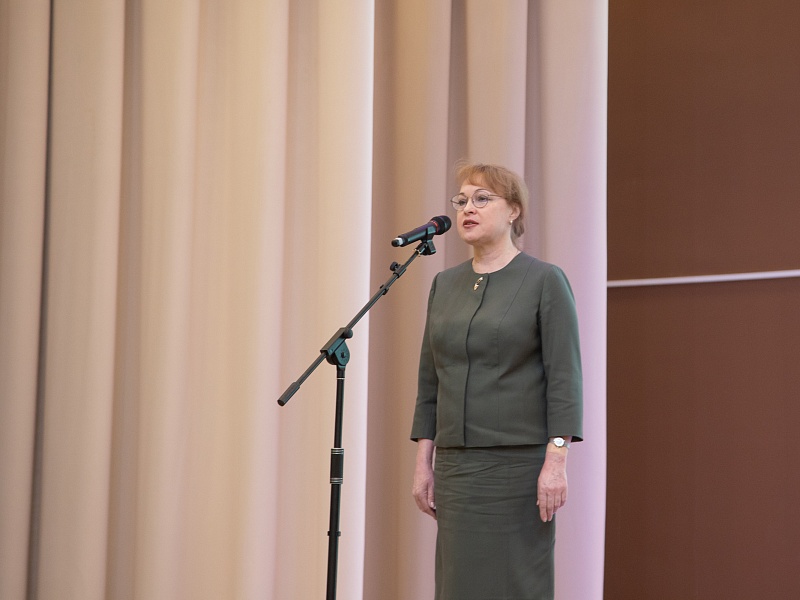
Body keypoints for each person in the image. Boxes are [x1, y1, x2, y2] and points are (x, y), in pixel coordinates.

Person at [410, 162, 583, 600]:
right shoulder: (445, 285)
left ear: (514, 211)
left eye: (482, 199)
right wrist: (423, 463)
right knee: (458, 586)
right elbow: (430, 381)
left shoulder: (544, 280)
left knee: (516, 585)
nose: (468, 208)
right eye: (462, 200)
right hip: (456, 468)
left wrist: (556, 460)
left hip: (517, 469)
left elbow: (564, 378)